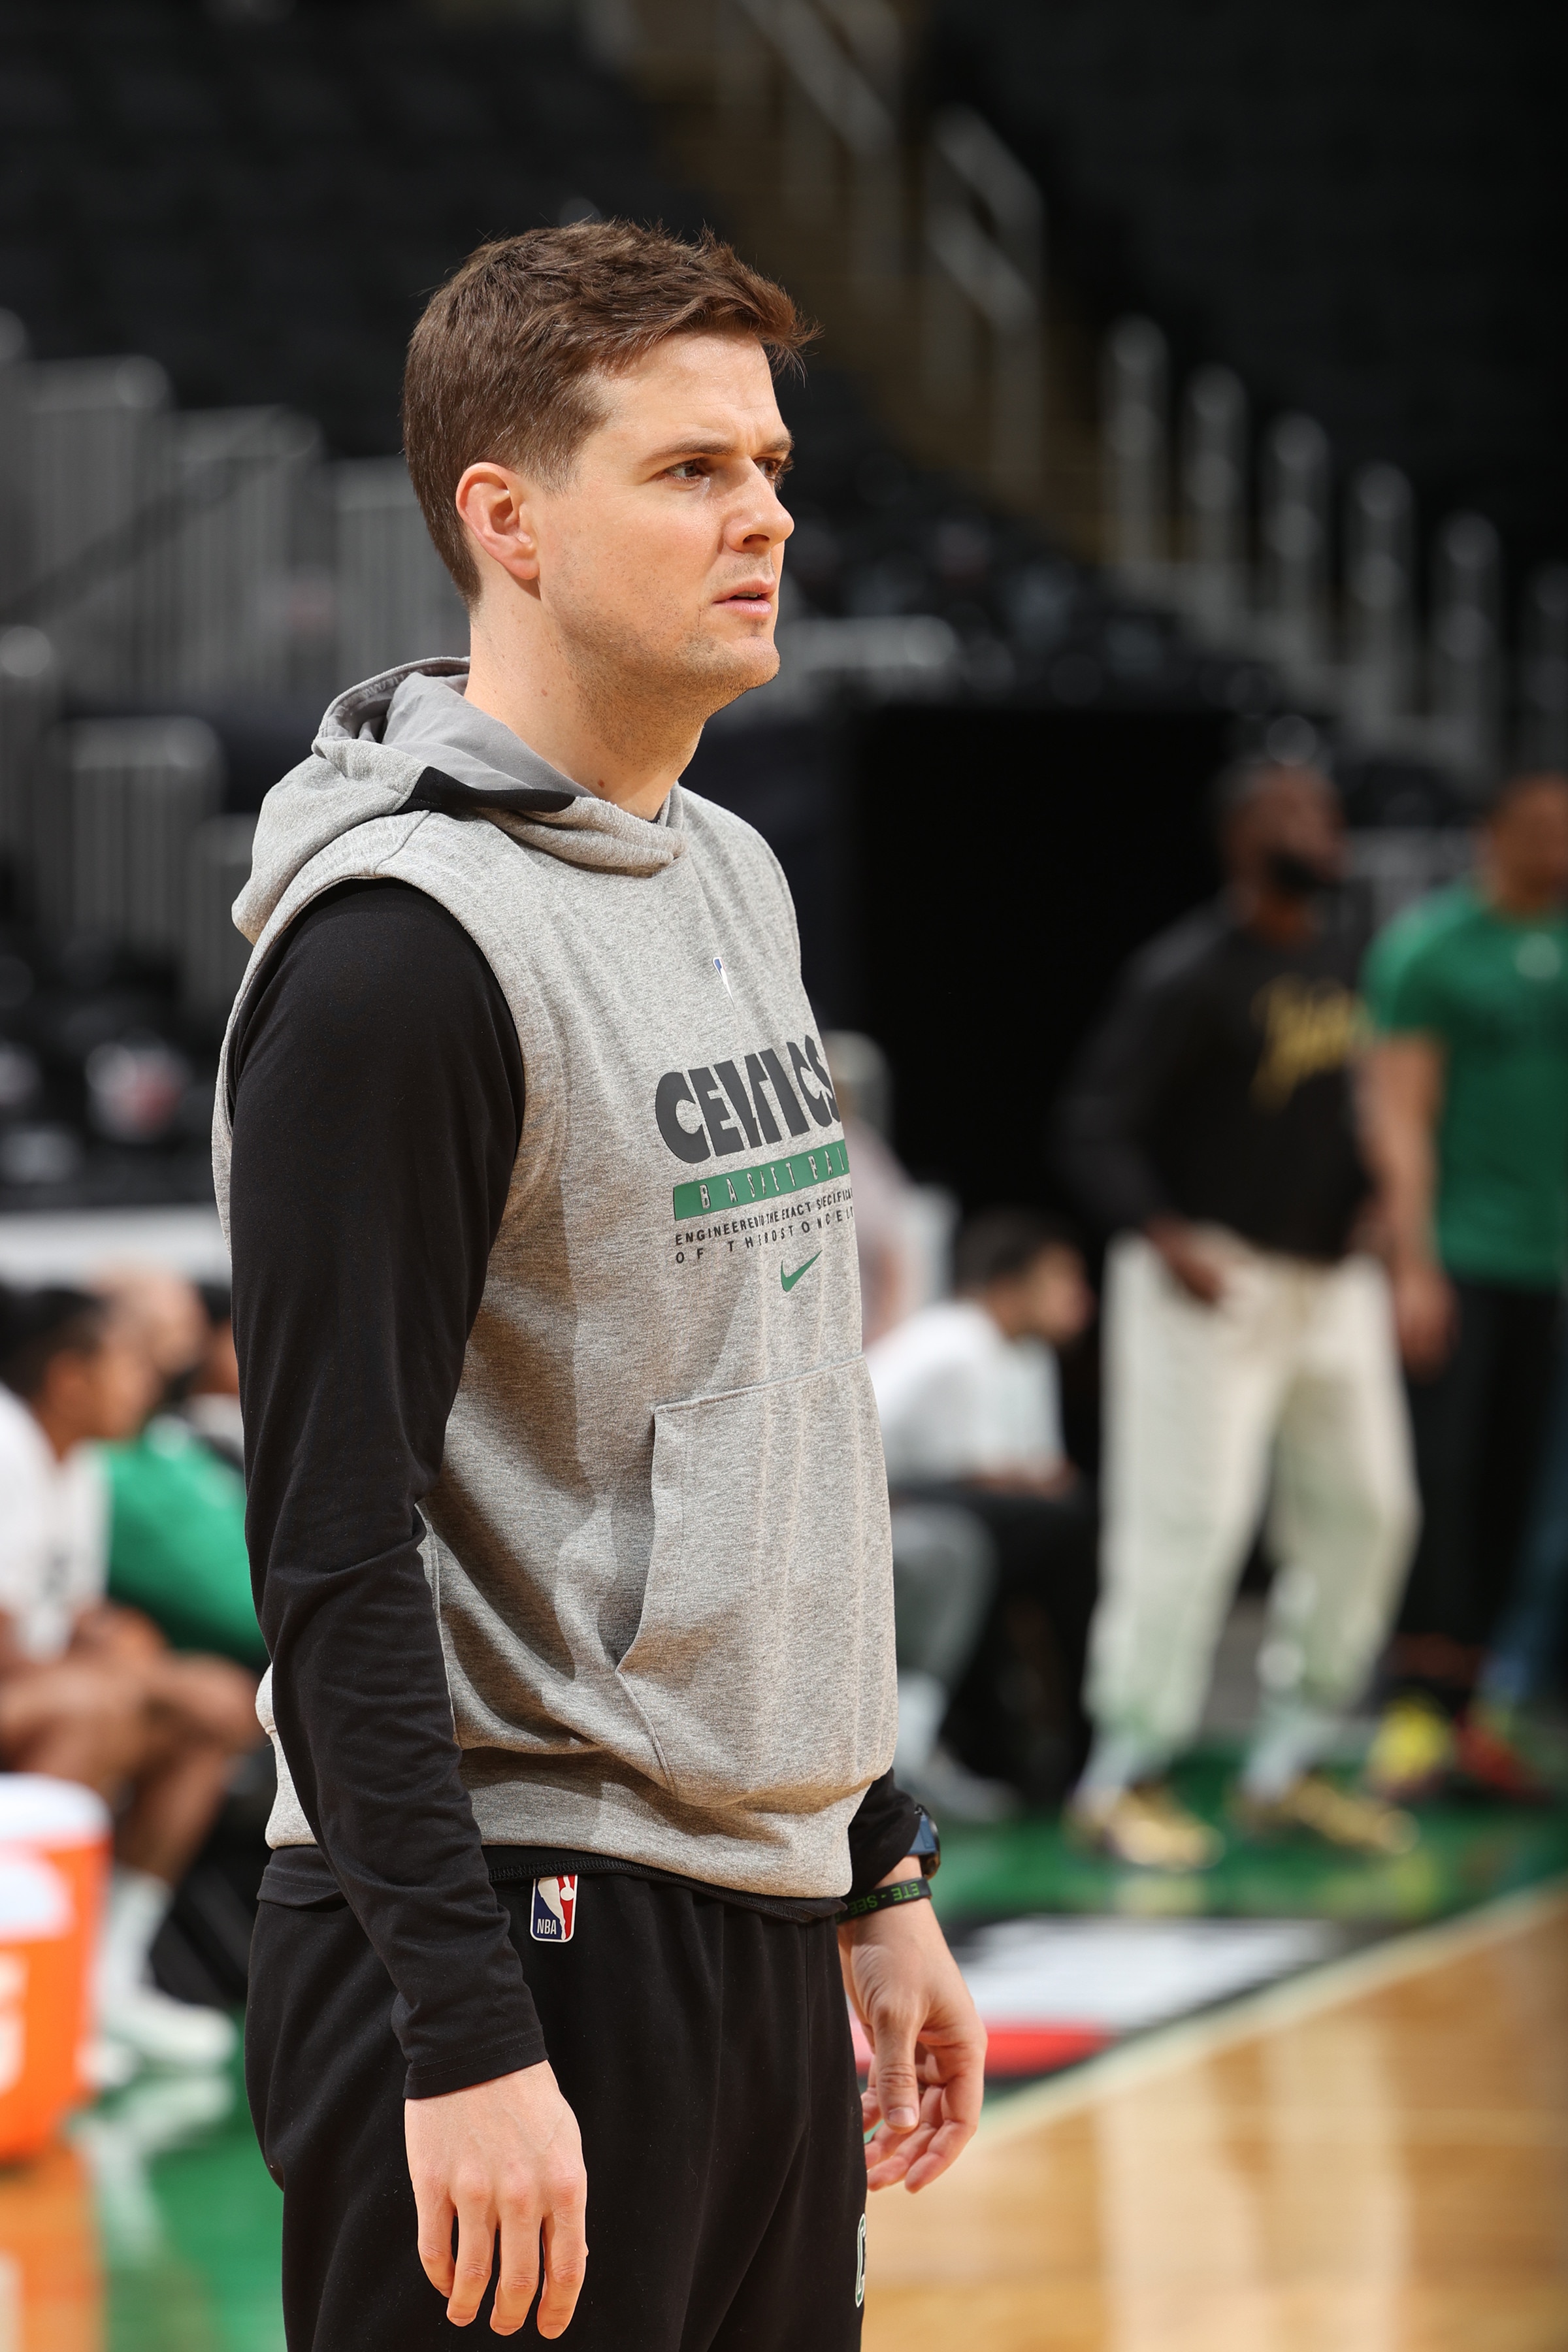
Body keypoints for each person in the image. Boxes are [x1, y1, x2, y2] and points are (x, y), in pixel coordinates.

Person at [220, 222, 984, 2351]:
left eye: (769, 465)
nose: (767, 513)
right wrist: (453, 2029)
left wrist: (874, 1859)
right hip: (506, 1926)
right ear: (507, 519)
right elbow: (330, 1538)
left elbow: (780, 1413)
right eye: (688, 470)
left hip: (746, 1905)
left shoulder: (730, 870)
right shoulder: (397, 959)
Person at [1055, 756, 1420, 1870]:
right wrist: (1169, 1240)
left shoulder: (1358, 960)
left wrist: (1381, 1214)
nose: (1318, 823)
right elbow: (1091, 1126)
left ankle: (1293, 1761)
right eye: (1288, 812)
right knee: (1189, 1523)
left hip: (1330, 1281)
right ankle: (1125, 1775)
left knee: (1371, 1511)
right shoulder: (1189, 973)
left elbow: (1370, 1108)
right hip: (1207, 1275)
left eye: (1322, 806)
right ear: (1239, 840)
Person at [1362, 770, 1568, 1799]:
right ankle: (1409, 1719)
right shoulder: (1432, 950)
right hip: (1461, 1256)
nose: (1554, 842)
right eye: (1535, 824)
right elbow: (1398, 1112)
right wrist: (1414, 1263)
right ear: (1490, 832)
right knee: (1432, 1491)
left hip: (1548, 1261)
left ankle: (1481, 1716)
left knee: (1514, 1496)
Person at [0, 1284, 263, 2068]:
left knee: (200, 1721)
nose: (147, 1382)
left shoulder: (75, 1461)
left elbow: (71, 1618)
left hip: (30, 1686)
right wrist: (140, 1677)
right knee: (93, 1707)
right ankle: (44, 1994)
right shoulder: (8, 1446)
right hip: (29, 1689)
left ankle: (103, 1981)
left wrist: (126, 1652)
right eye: (125, 1363)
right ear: (70, 1378)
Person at [868, 1209, 1098, 1808]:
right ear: (1008, 1286)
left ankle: (1028, 1749)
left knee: (1058, 1527)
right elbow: (974, 1475)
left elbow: (1029, 1472)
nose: (1080, 1300)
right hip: (879, 1510)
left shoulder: (1025, 1354)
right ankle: (1063, 1745)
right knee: (1060, 1532)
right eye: (1061, 1281)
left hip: (937, 1507)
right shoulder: (960, 1341)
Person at [100, 1273, 265, 1670]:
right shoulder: (111, 1469)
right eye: (171, 1340)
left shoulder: (175, 1440)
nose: (188, 1356)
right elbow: (238, 1612)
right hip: (239, 1662)